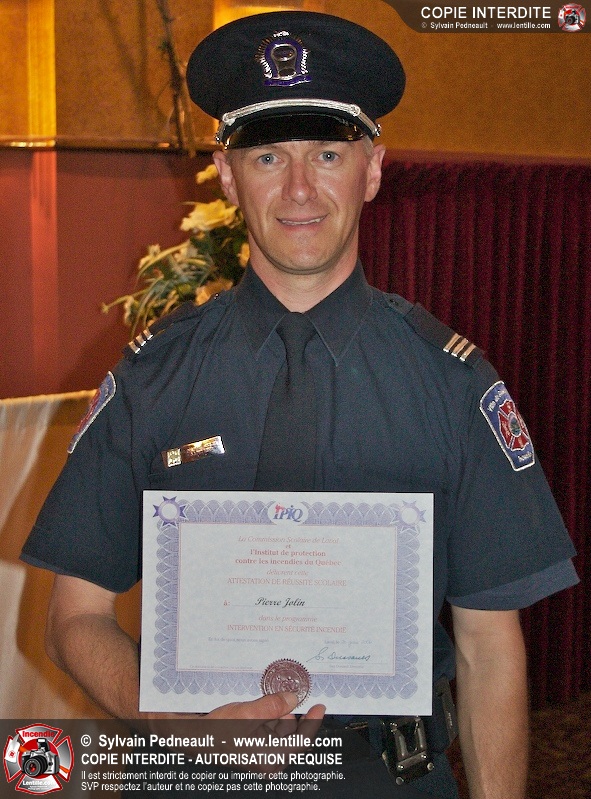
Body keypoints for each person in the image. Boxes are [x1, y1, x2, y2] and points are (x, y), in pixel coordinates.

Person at [21, 10, 577, 799]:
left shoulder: (452, 385)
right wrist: (176, 725)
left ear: (372, 169)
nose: (298, 189)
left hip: (389, 777)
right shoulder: (153, 378)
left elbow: (489, 645)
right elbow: (74, 616)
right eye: (267, 156)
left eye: (326, 154)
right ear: (226, 176)